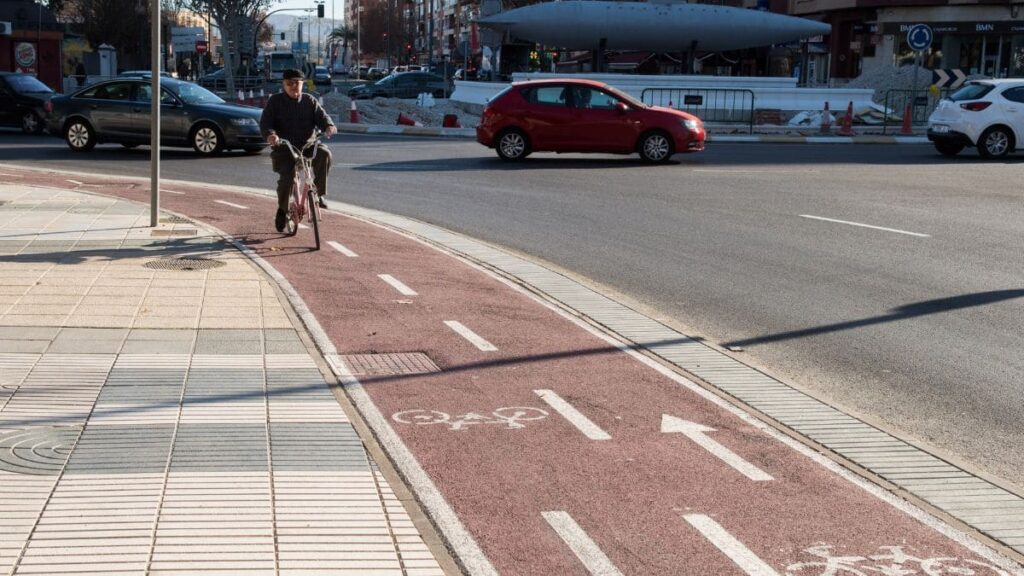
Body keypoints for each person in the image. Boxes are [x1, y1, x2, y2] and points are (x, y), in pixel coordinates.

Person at [259, 68, 337, 233]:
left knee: (324, 154)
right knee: (286, 179)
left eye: (297, 83)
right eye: (289, 84)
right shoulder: (275, 102)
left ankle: (319, 194)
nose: (294, 87)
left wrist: (329, 126)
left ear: (303, 84)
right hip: (284, 149)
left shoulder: (310, 101)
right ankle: (282, 210)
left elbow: (323, 118)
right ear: (283, 85)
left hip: (307, 146)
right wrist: (271, 136)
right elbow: (266, 123)